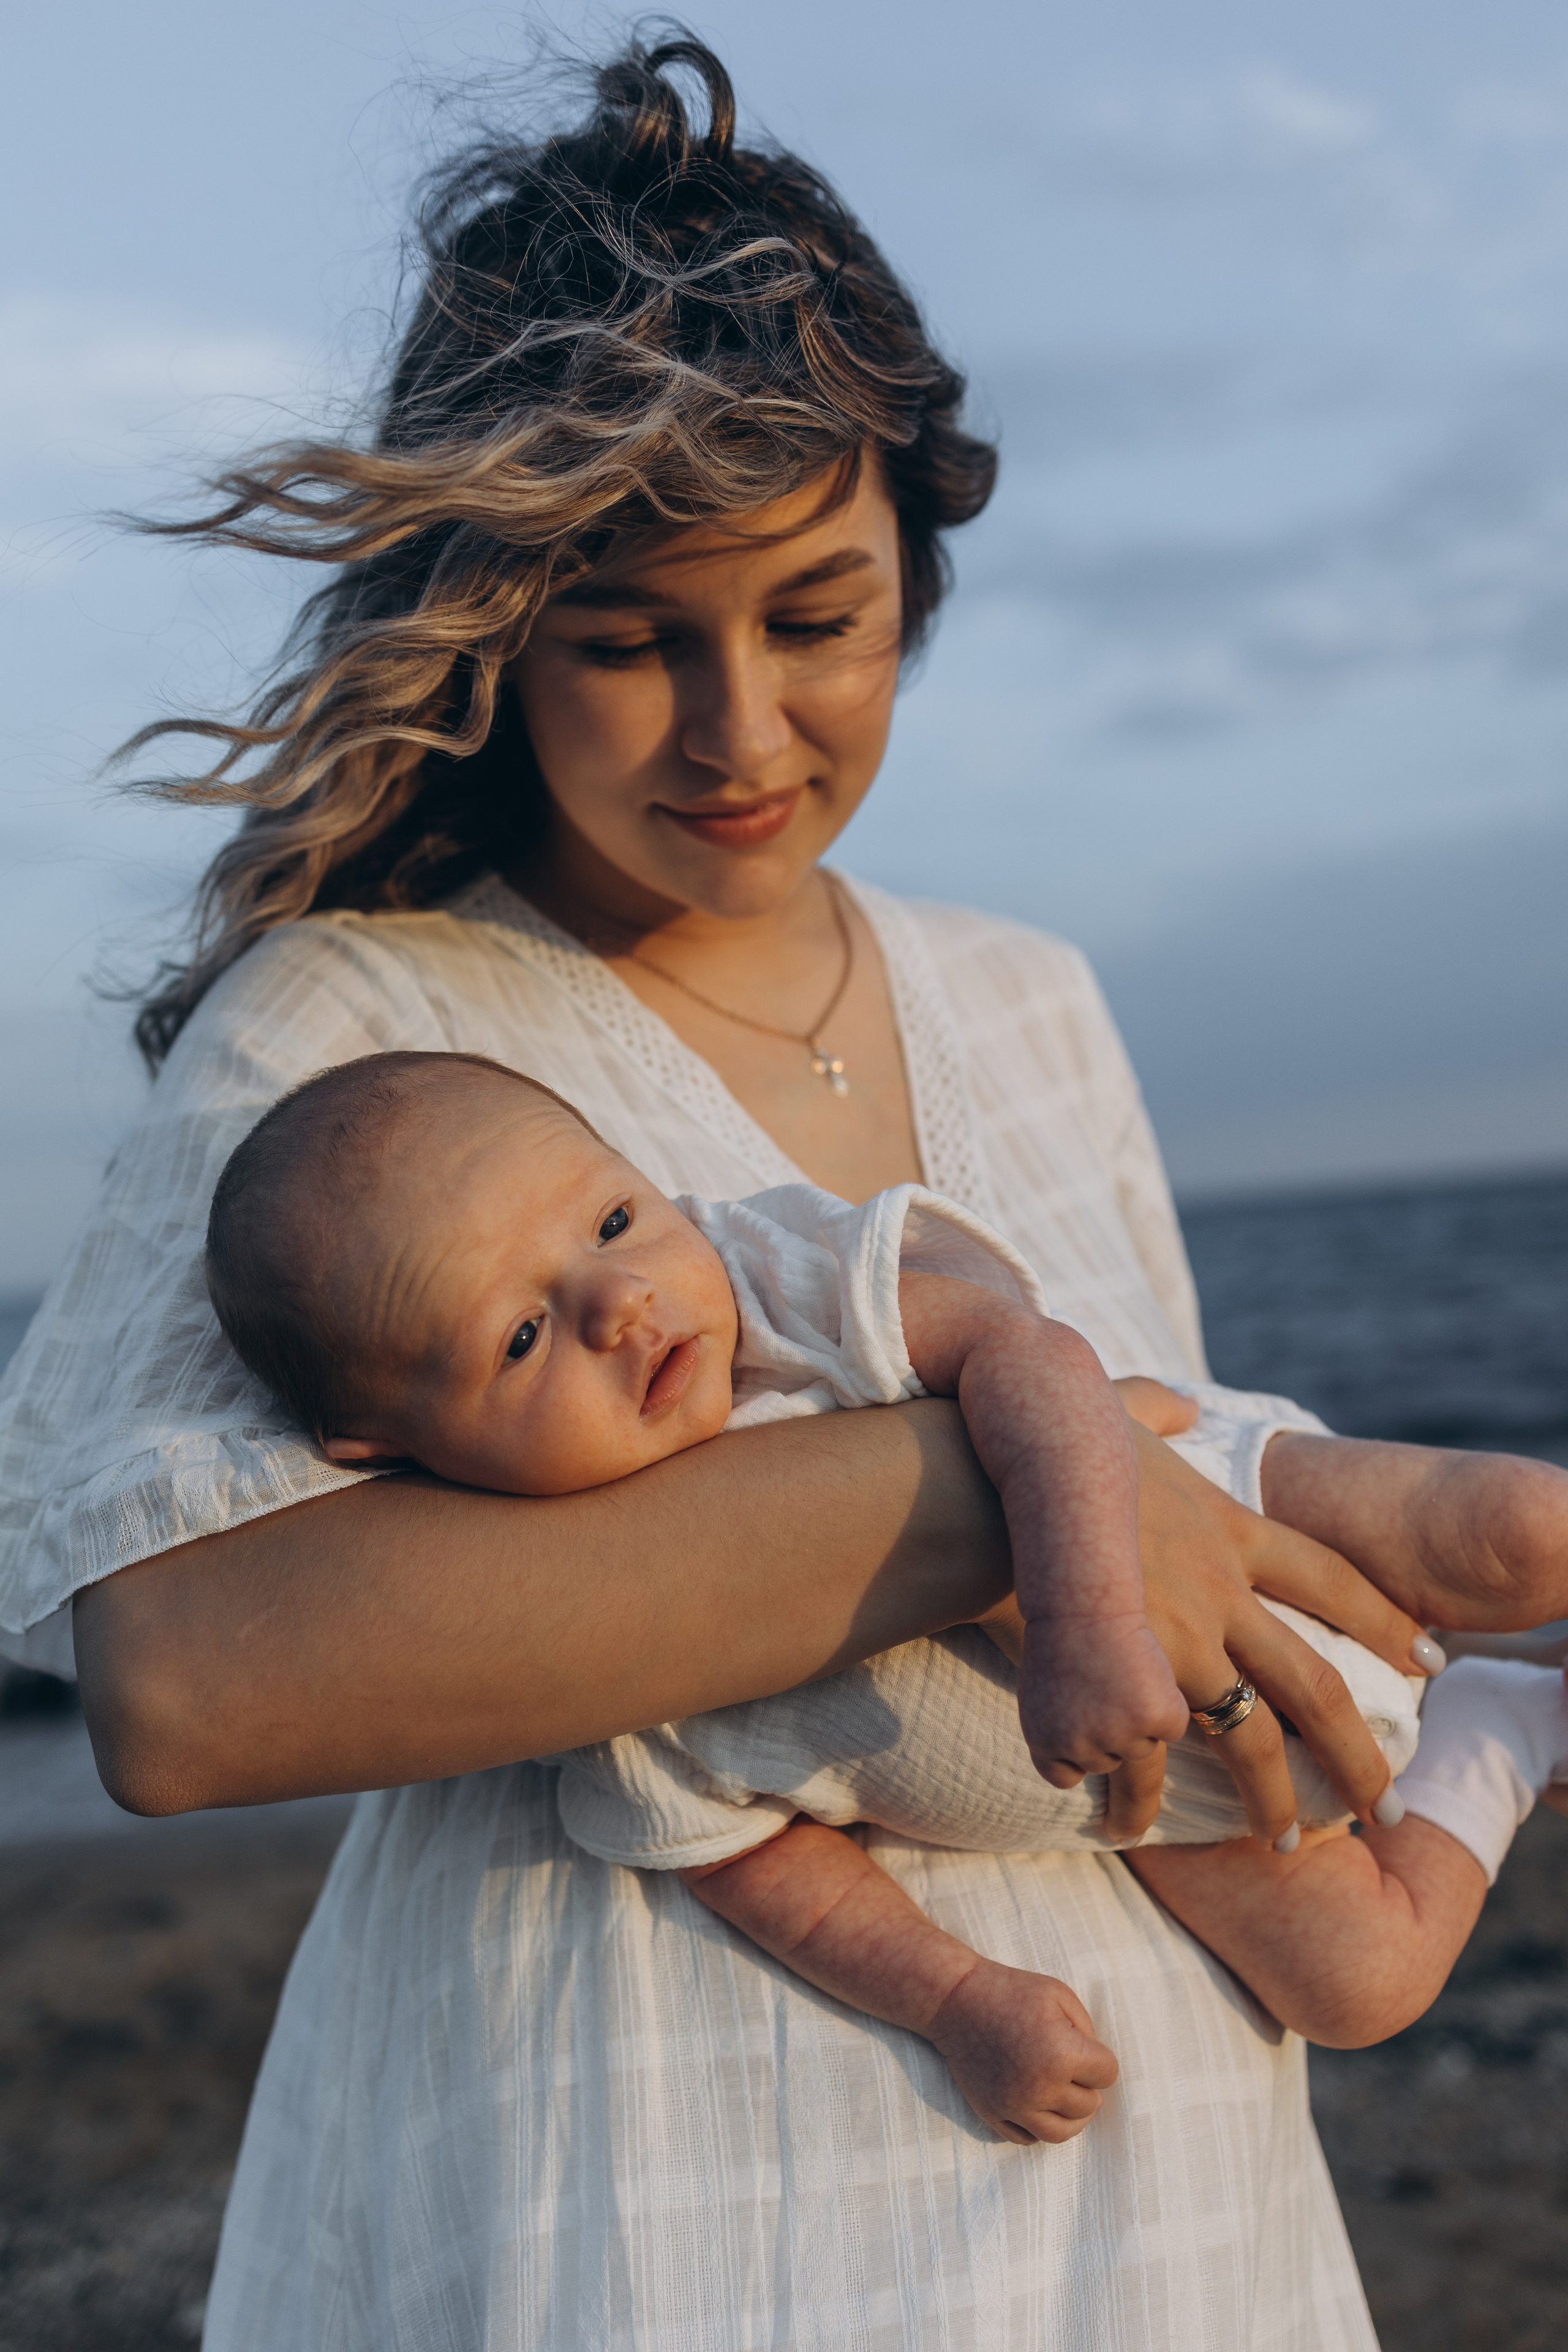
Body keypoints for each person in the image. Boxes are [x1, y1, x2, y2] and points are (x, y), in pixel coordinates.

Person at [4, 32, 1566, 2348]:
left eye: (816, 618)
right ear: (494, 630)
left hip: (1166, 2212)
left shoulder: (1032, 997)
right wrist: (1007, 1487)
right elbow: (187, 1682)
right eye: (632, 640)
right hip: (631, 2203)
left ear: (913, 575)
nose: (743, 733)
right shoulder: (351, 1026)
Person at [197, 1046, 1568, 2144]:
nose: (618, 1299)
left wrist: (1086, 1611)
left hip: (1224, 1506)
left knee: (1518, 1530)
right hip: (1177, 1805)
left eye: (613, 1217)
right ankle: (1504, 1726)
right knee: (1358, 1986)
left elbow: (1022, 1352)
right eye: (516, 1335)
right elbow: (759, 1869)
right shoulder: (593, 1661)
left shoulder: (787, 1303)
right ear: (385, 1455)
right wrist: (959, 2002)